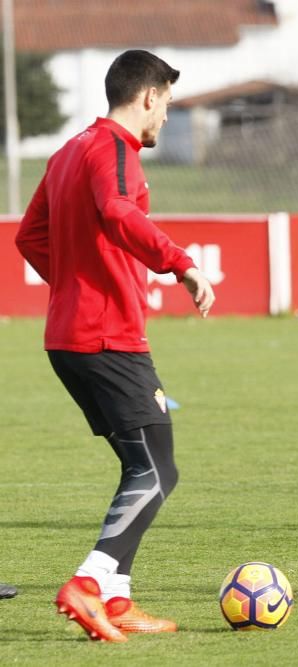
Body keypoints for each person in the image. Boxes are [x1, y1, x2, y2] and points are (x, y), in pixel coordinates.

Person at [15, 50, 215, 641]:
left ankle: (119, 600)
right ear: (148, 96)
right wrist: (179, 264)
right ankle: (90, 581)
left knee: (145, 464)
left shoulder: (68, 151)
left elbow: (30, 236)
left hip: (71, 334)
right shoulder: (114, 150)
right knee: (156, 471)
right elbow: (117, 209)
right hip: (107, 337)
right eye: (169, 107)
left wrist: (78, 284)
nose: (166, 120)